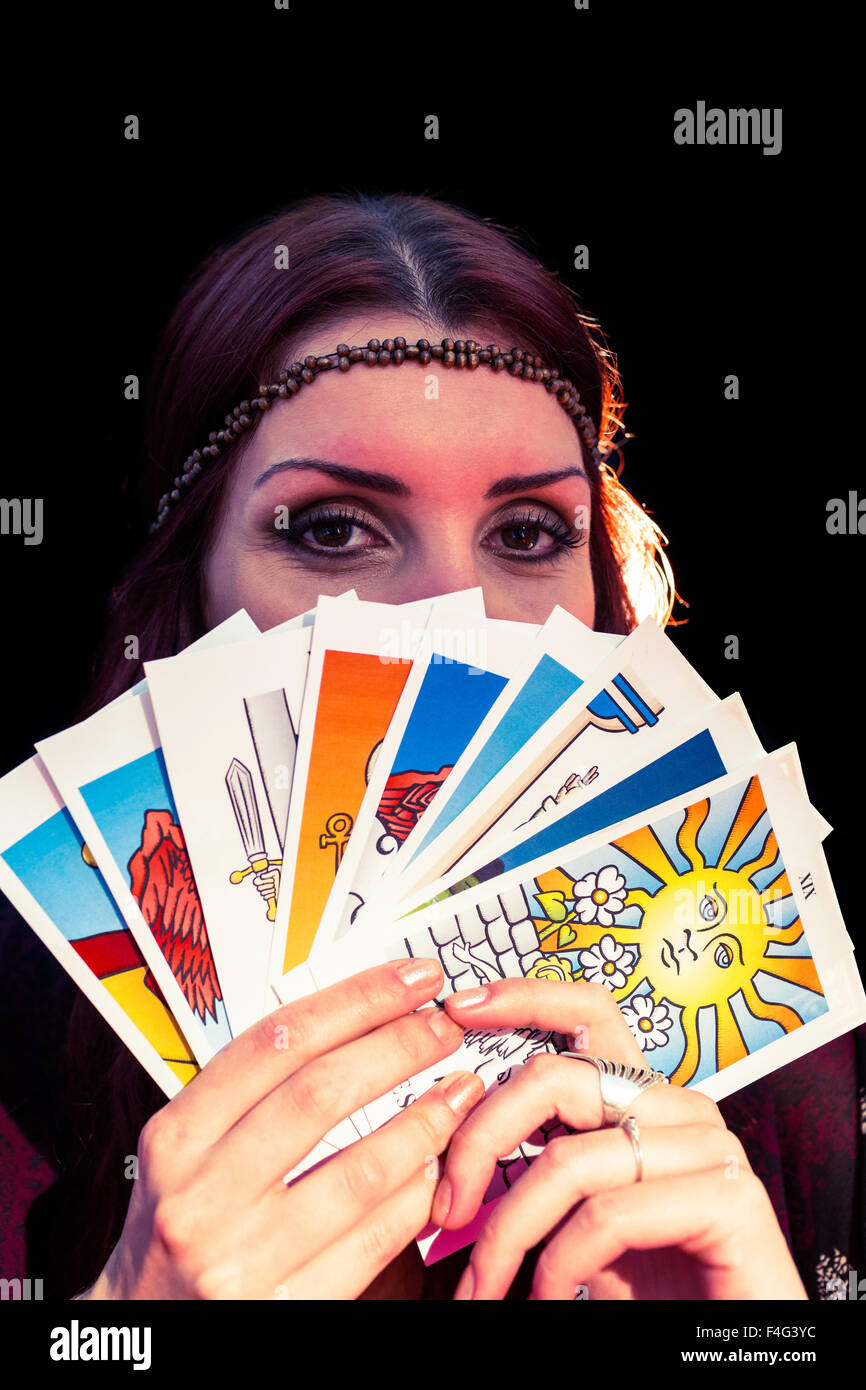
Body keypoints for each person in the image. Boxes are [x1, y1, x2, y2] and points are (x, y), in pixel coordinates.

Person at [1, 192, 862, 1301]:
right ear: (189, 599)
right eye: (332, 529)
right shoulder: (18, 1037)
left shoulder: (786, 1086)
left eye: (525, 533)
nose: (455, 622)